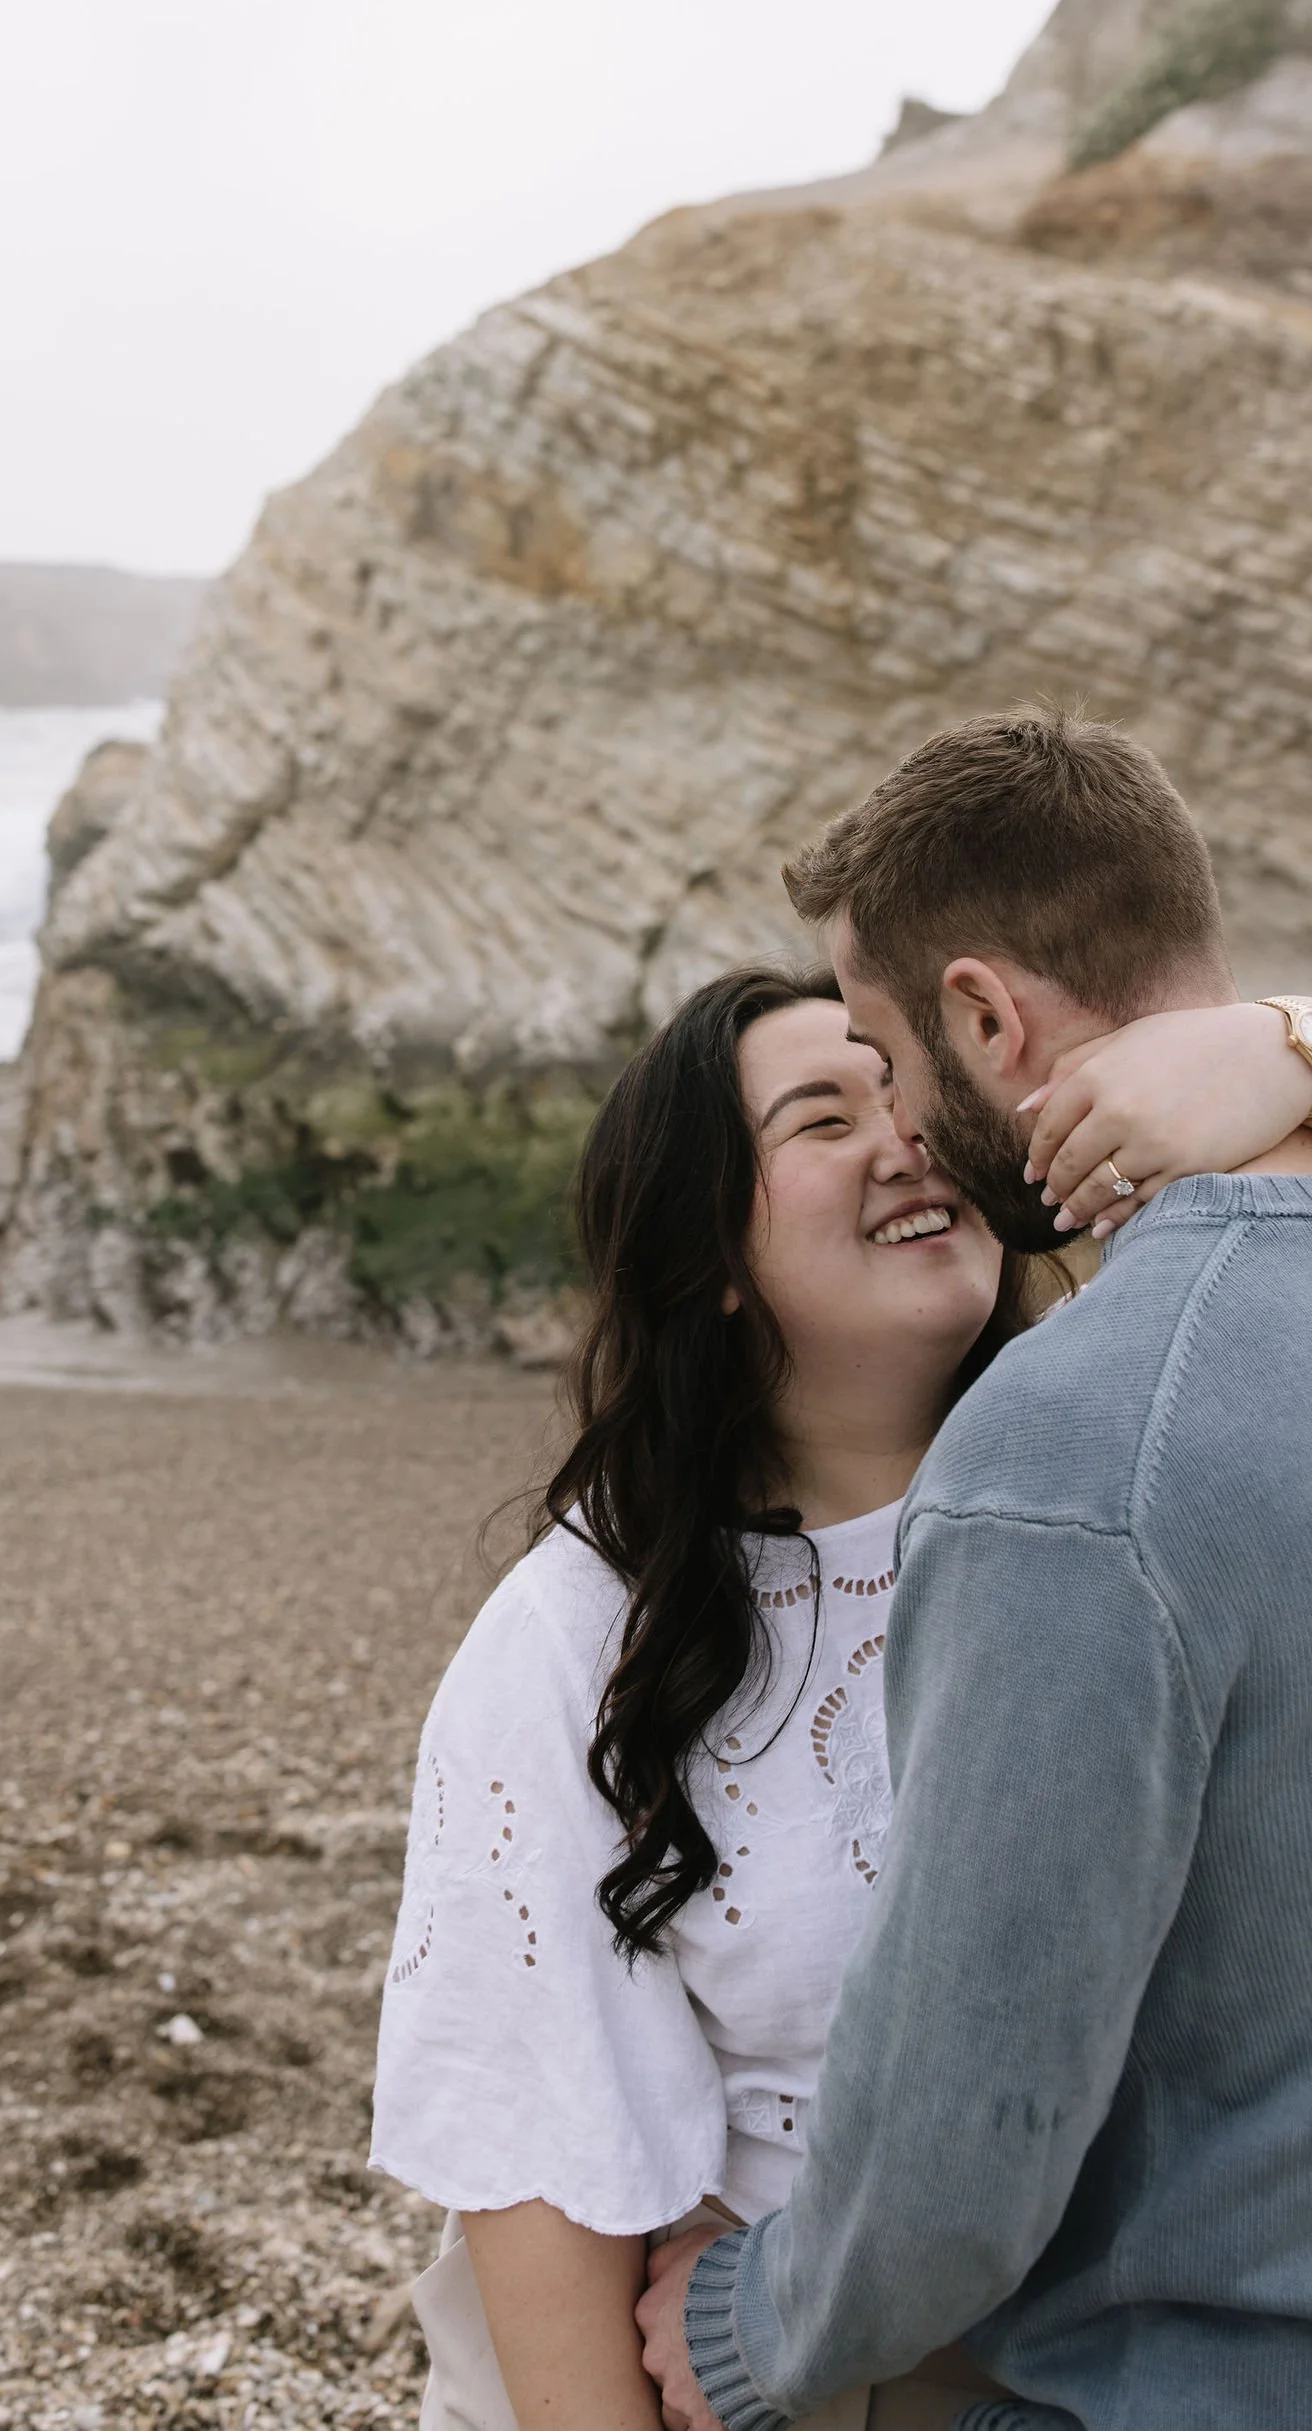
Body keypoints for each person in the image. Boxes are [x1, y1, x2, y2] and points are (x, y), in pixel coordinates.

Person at [369, 911, 1312, 2425]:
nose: (904, 1140)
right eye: (824, 1114)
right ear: (710, 1257)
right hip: (745, 2364)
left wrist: (1281, 1038)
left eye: (903, 1087)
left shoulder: (1147, 1477)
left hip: (1124, 2361)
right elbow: (544, 2141)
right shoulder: (580, 1638)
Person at [633, 712, 1312, 2431]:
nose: (909, 1132)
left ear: (987, 1016)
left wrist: (747, 2319)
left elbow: (963, 2132)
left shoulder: (1067, 1457)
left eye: (888, 1049)